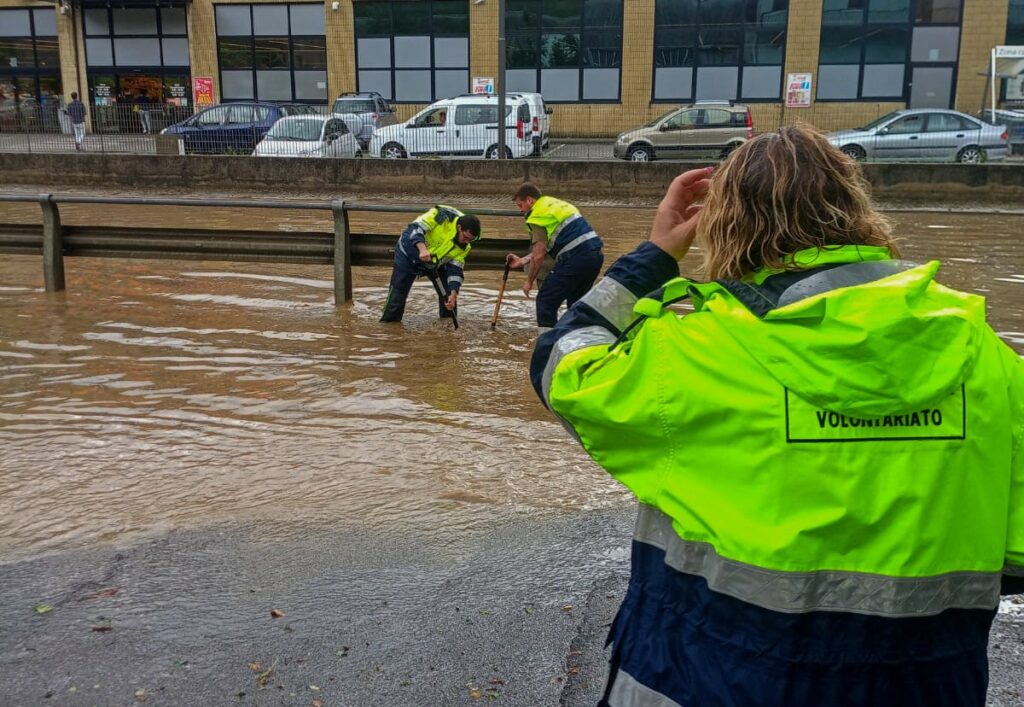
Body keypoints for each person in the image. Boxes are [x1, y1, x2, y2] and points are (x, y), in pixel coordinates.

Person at [530, 124, 1024, 707]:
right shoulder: (992, 362)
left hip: (713, 682)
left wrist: (654, 257)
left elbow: (562, 366)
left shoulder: (692, 356)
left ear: (726, 226)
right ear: (856, 209)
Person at [505, 183, 603, 330]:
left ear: (530, 201)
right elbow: (549, 246)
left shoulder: (537, 215)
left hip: (575, 258)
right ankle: (577, 341)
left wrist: (529, 281)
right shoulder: (556, 205)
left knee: (545, 300)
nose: (520, 210)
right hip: (595, 256)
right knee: (577, 304)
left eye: (520, 205)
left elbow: (538, 256)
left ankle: (546, 346)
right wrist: (522, 260)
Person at [380, 205, 481, 323]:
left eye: (471, 240)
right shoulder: (441, 216)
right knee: (396, 299)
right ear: (459, 228)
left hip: (436, 262)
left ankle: (447, 329)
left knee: (448, 298)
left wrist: (454, 294)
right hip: (409, 254)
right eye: (465, 237)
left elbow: (455, 270)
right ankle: (389, 327)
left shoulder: (465, 246)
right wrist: (422, 249)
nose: (467, 242)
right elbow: (415, 229)